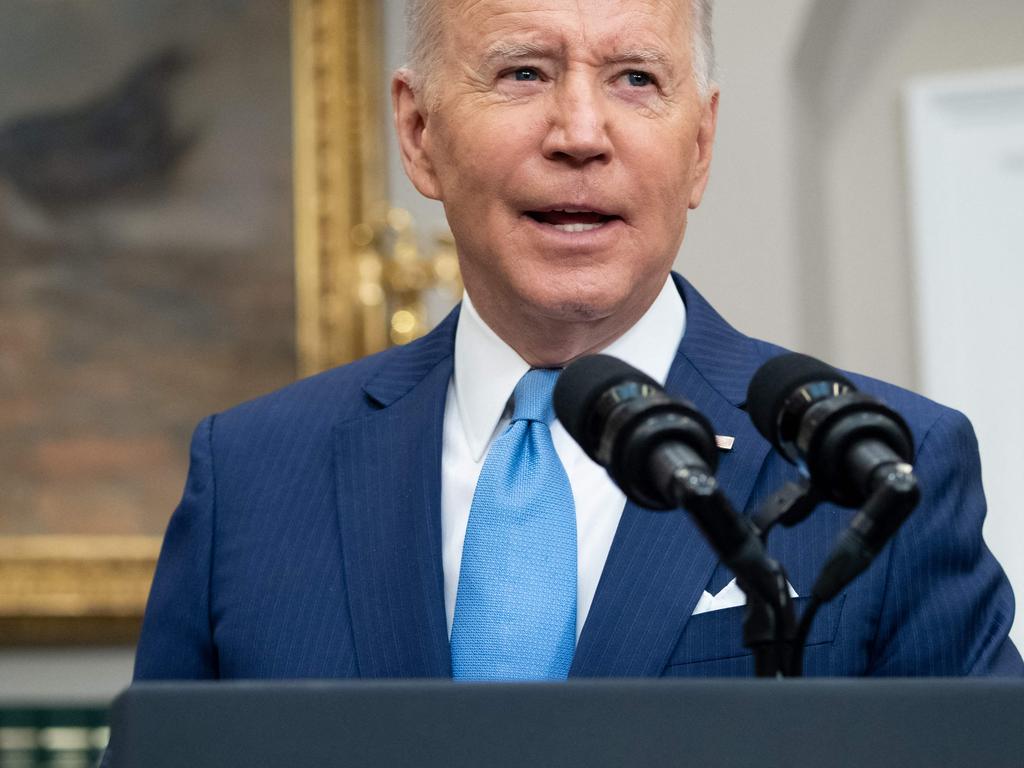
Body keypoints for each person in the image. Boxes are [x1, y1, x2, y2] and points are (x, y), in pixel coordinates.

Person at [132, 0, 1022, 680]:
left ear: (701, 144)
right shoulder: (250, 475)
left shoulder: (877, 467)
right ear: (419, 132)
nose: (582, 135)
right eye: (523, 73)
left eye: (636, 78)